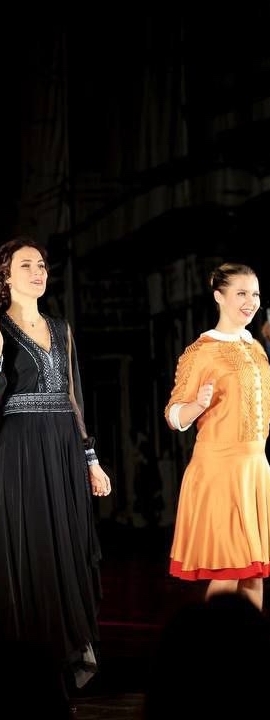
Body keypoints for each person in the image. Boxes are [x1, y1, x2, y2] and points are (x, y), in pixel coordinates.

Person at [164, 262, 270, 610]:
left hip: (254, 471)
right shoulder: (202, 351)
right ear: (219, 296)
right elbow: (173, 414)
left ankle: (250, 645)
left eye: (255, 294)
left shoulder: (256, 348)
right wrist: (196, 405)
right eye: (241, 293)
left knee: (252, 576)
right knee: (228, 573)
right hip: (220, 473)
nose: (251, 302)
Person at [0, 237, 111, 705]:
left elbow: (73, 397)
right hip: (20, 450)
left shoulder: (61, 328)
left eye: (42, 265)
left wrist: (91, 459)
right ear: (6, 275)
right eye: (26, 265)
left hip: (63, 446)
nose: (37, 272)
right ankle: (28, 668)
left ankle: (63, 662)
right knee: (31, 548)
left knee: (66, 546)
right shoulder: (0, 328)